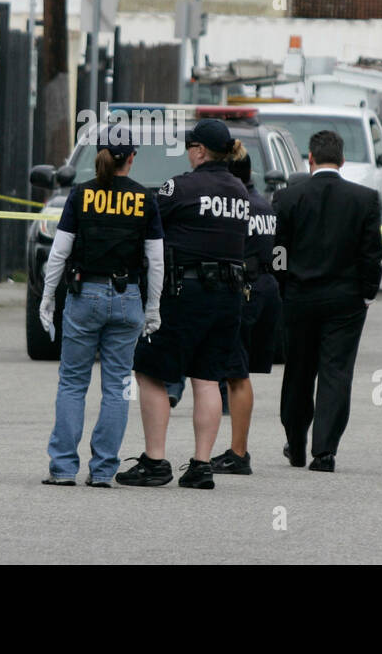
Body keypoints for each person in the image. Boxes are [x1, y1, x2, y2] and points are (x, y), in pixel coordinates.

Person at [117, 118, 249, 490]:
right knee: (207, 379)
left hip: (182, 294)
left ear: (200, 151)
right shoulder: (240, 192)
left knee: (151, 371)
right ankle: (201, 465)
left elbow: (148, 224)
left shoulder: (181, 186)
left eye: (190, 146)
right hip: (227, 298)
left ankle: (155, 461)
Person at [40, 122, 163, 487]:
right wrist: (153, 308)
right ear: (133, 158)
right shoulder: (145, 199)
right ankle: (104, 470)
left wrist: (47, 298)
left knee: (73, 383)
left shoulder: (80, 195)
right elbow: (155, 262)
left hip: (84, 295)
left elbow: (58, 253)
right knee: (118, 385)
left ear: (100, 155)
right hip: (128, 299)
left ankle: (62, 469)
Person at [275, 130, 382, 472]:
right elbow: (371, 254)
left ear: (310, 158)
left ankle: (295, 444)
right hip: (345, 299)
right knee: (336, 372)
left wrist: (283, 287)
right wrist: (367, 291)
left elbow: (278, 251)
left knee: (298, 371)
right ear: (342, 161)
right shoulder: (365, 199)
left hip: (299, 297)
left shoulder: (288, 197)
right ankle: (325, 451)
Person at [210, 152, 280, 476]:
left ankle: (238, 453)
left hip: (245, 289)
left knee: (237, 374)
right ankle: (237, 450)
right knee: (239, 371)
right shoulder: (263, 204)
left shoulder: (238, 207)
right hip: (265, 286)